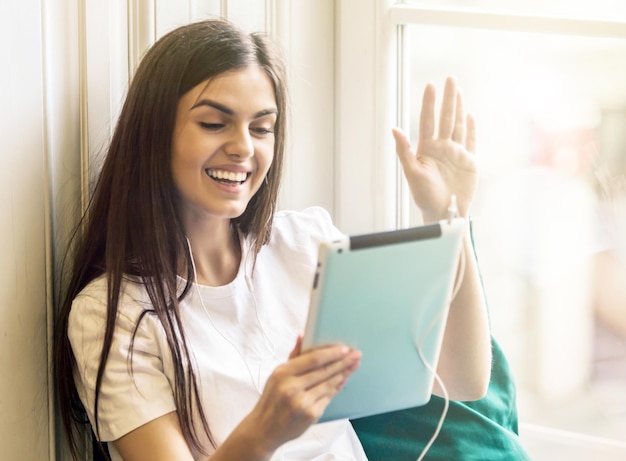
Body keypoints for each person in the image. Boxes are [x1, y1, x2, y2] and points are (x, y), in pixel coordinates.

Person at [53, 18, 495, 461]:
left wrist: (449, 216)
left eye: (261, 128)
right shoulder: (110, 314)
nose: (244, 147)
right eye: (213, 123)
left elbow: (461, 380)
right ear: (154, 134)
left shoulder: (307, 245)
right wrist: (266, 430)